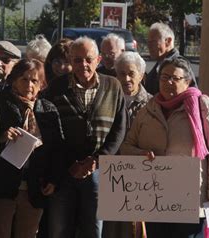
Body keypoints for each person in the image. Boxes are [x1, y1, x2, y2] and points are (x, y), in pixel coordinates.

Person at [120, 57, 209, 238]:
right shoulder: (148, 109)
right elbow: (127, 146)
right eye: (164, 77)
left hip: (191, 200)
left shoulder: (203, 106)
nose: (168, 82)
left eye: (175, 78)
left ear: (187, 82)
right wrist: (142, 154)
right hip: (156, 198)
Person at [44, 36, 127, 238]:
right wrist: (68, 165)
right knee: (59, 229)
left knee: (94, 230)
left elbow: (120, 129)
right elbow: (50, 131)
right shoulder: (56, 87)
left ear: (98, 60)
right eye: (77, 60)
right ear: (71, 61)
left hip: (98, 170)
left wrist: (96, 160)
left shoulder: (113, 86)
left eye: (88, 59)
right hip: (64, 171)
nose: (83, 65)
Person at [0, 59, 59, 238]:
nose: (29, 85)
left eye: (34, 81)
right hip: (3, 185)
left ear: (42, 84)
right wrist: (3, 137)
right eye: (24, 79)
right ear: (14, 80)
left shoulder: (48, 110)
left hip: (34, 187)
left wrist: (53, 179)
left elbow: (57, 148)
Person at [102, 51, 151, 238]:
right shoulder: (105, 100)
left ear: (141, 75)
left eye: (131, 73)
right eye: (121, 73)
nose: (126, 78)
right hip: (111, 172)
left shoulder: (152, 104)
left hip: (140, 177)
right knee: (110, 228)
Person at [144, 22, 196, 94]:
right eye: (148, 42)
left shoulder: (179, 66)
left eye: (153, 42)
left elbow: (192, 94)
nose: (149, 46)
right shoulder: (160, 63)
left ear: (168, 41)